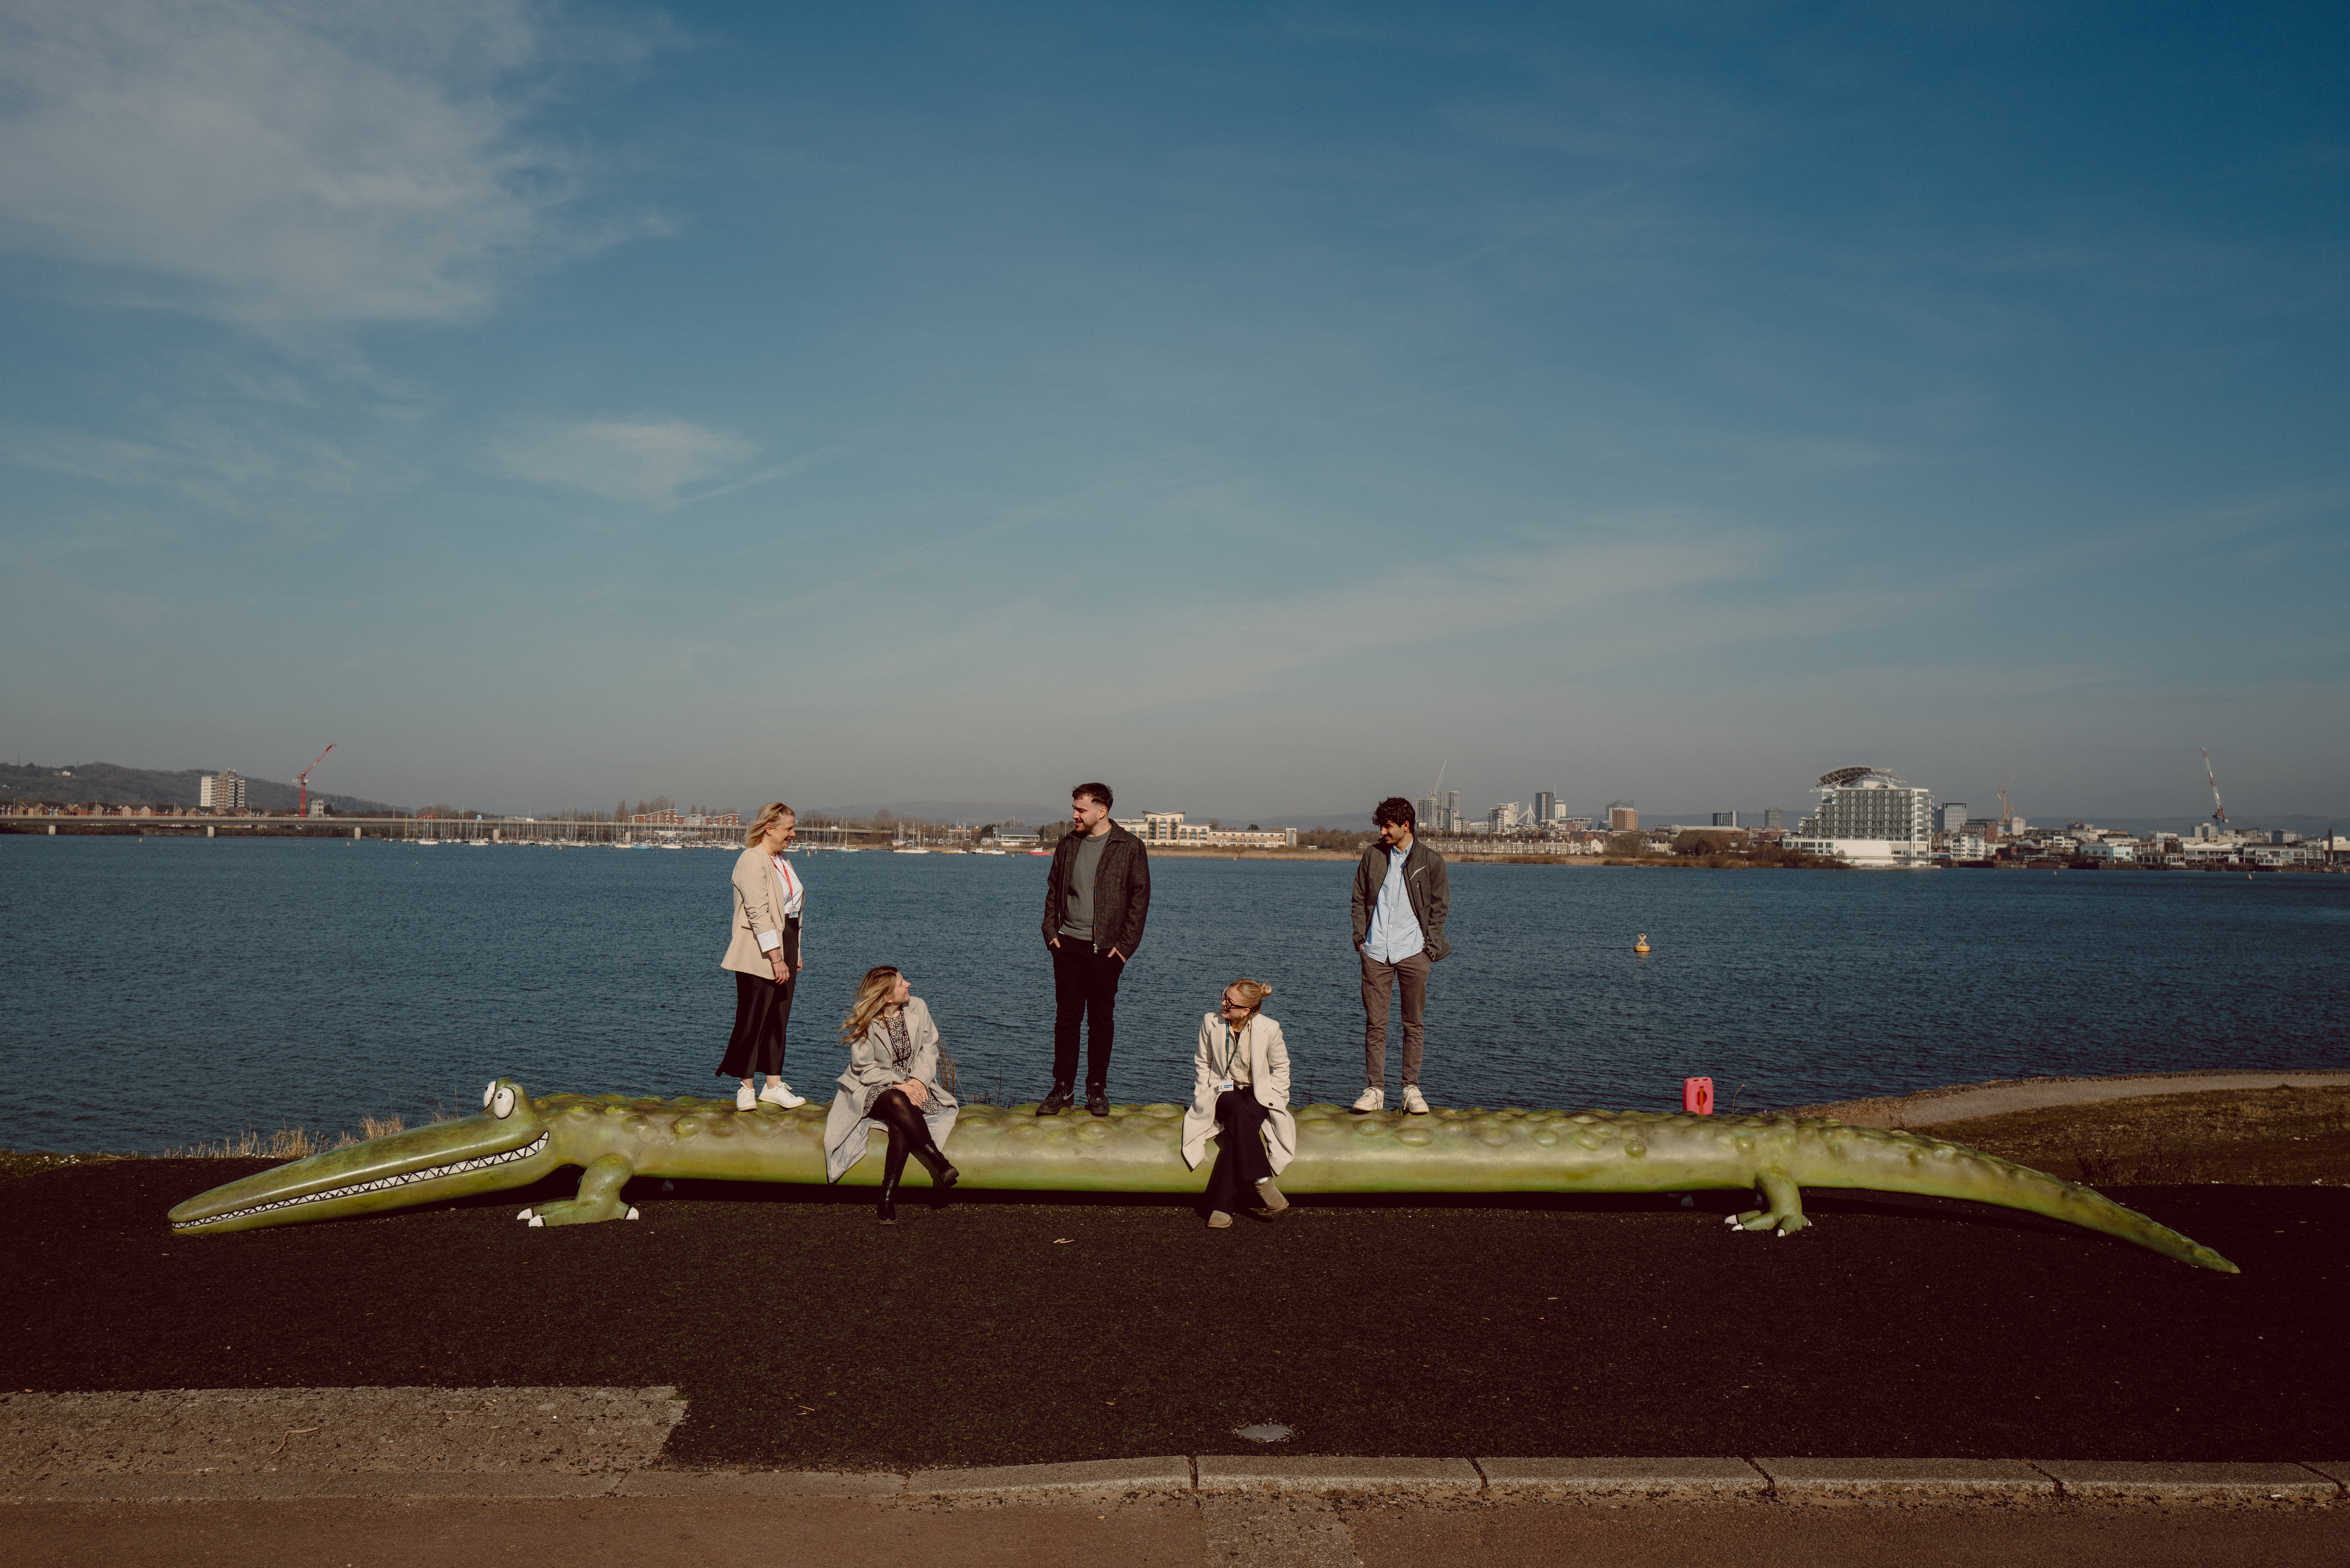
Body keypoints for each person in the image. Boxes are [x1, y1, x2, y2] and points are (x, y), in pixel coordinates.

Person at [1039, 781, 1150, 1117]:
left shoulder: (1129, 847)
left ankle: (1097, 1088)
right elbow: (1052, 890)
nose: (1074, 814)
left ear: (1102, 811)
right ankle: (1063, 1088)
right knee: (1066, 1021)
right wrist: (1050, 932)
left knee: (1101, 1021)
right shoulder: (1068, 844)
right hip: (1068, 944)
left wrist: (1125, 948)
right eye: (1074, 808)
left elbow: (1139, 899)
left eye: (1080, 809)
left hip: (1107, 951)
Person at [825, 965, 960, 1224]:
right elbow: (866, 1069)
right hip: (872, 1087)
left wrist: (918, 1080)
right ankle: (940, 1162)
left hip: (915, 1083)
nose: (908, 985)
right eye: (901, 984)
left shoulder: (918, 1007)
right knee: (898, 1099)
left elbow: (930, 1049)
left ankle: (886, 1197)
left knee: (902, 1119)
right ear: (887, 997)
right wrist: (902, 1084)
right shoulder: (866, 1019)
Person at [1349, 796, 1450, 1115]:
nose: (1383, 832)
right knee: (1375, 1025)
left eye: (1388, 826)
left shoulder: (1431, 861)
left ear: (1406, 826)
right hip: (1376, 952)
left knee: (1413, 1024)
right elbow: (1358, 899)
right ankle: (1374, 1090)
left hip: (1413, 953)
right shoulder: (1372, 856)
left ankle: (1411, 1089)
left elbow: (1439, 908)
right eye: (1381, 825)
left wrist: (1428, 950)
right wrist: (1361, 940)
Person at [1180, 978, 1297, 1229]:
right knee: (1237, 1109)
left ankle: (1221, 1208)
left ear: (1246, 1011)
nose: (1223, 1004)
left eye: (1230, 1002)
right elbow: (1203, 1063)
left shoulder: (1270, 1029)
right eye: (1224, 996)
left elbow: (1281, 1068)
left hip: (1258, 1094)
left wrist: (1277, 1097)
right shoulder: (1211, 1022)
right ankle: (1263, 1180)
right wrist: (1202, 1097)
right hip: (1223, 1091)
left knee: (1237, 1133)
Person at [717, 801, 809, 1110]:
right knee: (753, 1017)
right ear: (769, 828)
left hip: (787, 943)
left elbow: (792, 911)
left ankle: (773, 1084)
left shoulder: (782, 861)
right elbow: (758, 912)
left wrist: (795, 951)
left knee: (778, 1018)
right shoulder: (751, 859)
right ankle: (745, 1087)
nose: (793, 834)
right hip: (760, 949)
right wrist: (775, 956)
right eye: (789, 829)